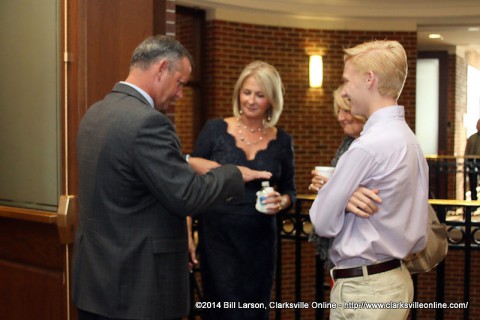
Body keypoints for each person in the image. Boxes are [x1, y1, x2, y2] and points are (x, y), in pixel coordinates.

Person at [73, 35, 271, 320]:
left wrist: (186, 162)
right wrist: (233, 173)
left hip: (96, 286)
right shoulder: (149, 122)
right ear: (162, 68)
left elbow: (132, 173)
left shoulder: (96, 112)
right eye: (180, 83)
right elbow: (187, 196)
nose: (180, 94)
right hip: (138, 291)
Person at [309, 40, 429, 320]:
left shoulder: (366, 147)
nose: (346, 91)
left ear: (369, 79)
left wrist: (337, 196)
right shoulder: (408, 140)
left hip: (365, 290)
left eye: (346, 81)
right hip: (394, 280)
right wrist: (345, 196)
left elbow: (322, 221)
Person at [189, 60, 296, 320]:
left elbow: (290, 191)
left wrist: (280, 202)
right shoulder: (215, 130)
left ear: (271, 100)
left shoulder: (282, 141)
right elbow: (190, 177)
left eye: (259, 95)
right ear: (238, 93)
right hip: (218, 238)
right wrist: (187, 232)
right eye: (246, 92)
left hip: (260, 242)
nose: (251, 100)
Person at [308, 85, 367, 265]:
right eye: (338, 110)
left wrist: (333, 189)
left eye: (346, 110)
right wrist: (325, 188)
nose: (340, 117)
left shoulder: (371, 147)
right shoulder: (347, 144)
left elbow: (372, 198)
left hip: (363, 251)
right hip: (343, 248)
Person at [465, 118, 480, 200]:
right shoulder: (472, 137)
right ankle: (474, 200)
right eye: (478, 124)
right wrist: (466, 161)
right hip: (472, 163)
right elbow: (467, 151)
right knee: (473, 182)